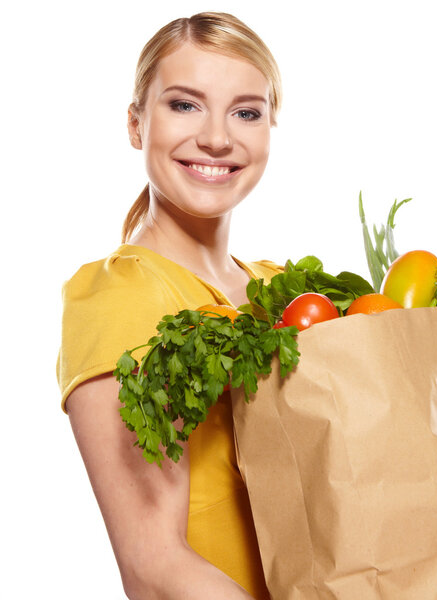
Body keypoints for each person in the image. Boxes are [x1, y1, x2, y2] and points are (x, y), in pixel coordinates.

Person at [57, 11, 283, 599]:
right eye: (184, 104)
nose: (216, 137)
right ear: (136, 124)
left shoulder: (283, 293)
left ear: (270, 126)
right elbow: (154, 567)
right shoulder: (122, 295)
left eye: (246, 112)